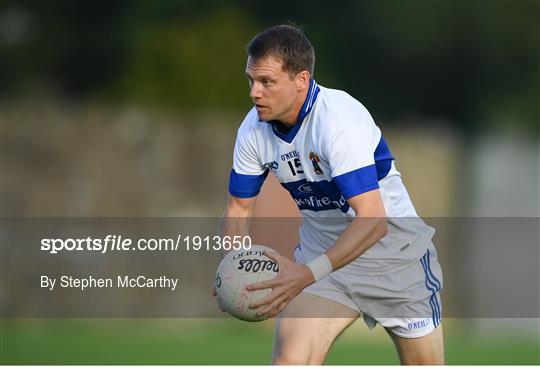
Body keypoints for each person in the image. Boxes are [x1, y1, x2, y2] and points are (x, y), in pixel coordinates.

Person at [217, 24, 444, 365]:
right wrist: (232, 267)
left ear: (301, 80)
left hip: (395, 255)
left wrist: (306, 274)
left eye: (266, 82)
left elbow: (373, 220)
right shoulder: (253, 130)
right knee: (290, 361)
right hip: (322, 255)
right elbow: (237, 209)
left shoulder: (339, 121)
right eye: (251, 80)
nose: (254, 92)